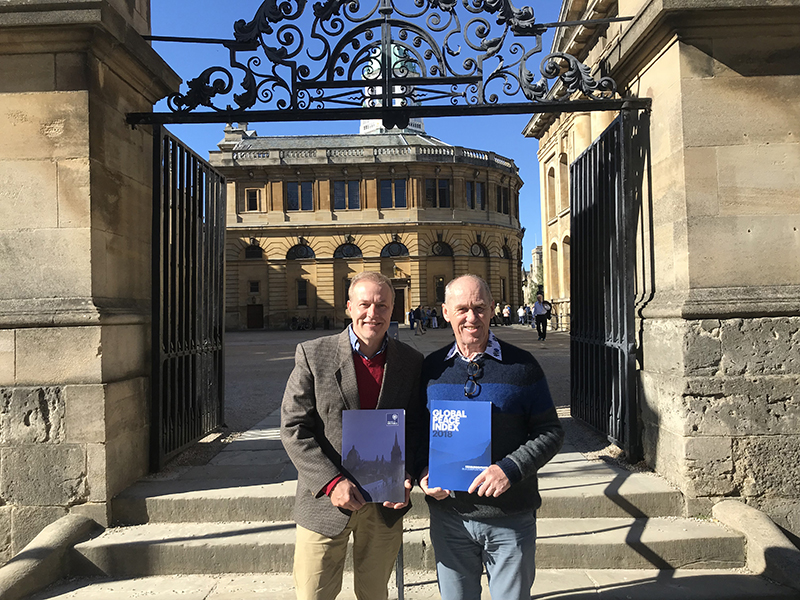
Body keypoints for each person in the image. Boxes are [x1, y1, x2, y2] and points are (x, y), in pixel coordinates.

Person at [415, 274, 563, 600]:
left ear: (493, 308)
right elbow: (415, 434)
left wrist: (508, 468)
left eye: (480, 308)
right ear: (445, 312)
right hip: (449, 517)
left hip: (510, 517)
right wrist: (421, 472)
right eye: (462, 309)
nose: (471, 318)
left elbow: (550, 432)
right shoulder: (430, 369)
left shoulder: (523, 366)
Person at [281, 271, 424, 600]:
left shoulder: (410, 361)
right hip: (325, 501)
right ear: (349, 307)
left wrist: (408, 473)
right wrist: (332, 482)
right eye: (364, 304)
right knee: (313, 593)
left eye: (382, 305)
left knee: (375, 594)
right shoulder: (313, 353)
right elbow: (293, 426)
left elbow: (415, 426)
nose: (373, 313)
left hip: (384, 503)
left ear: (392, 308)